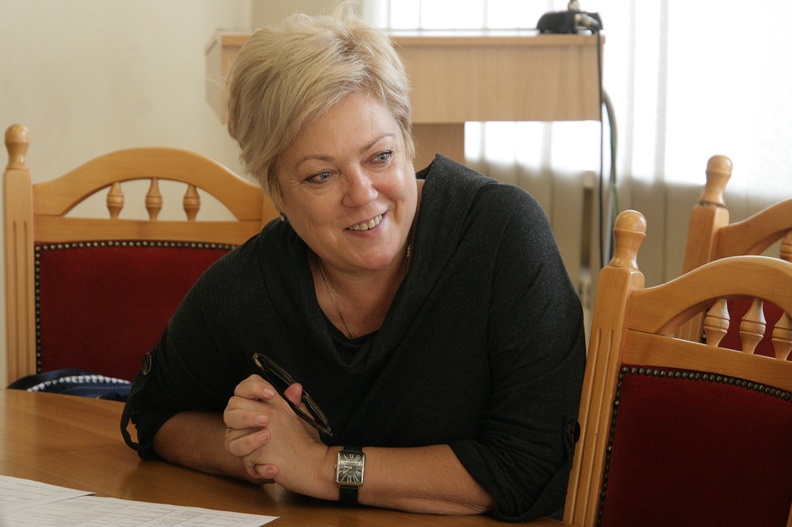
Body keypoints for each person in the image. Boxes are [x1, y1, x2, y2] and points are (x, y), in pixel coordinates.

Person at [121, 4, 586, 522]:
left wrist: (322, 467)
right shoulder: (249, 285)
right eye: (321, 175)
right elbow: (150, 415)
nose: (362, 195)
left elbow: (531, 466)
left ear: (407, 141)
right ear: (277, 191)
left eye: (380, 156)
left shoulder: (501, 234)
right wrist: (260, 452)